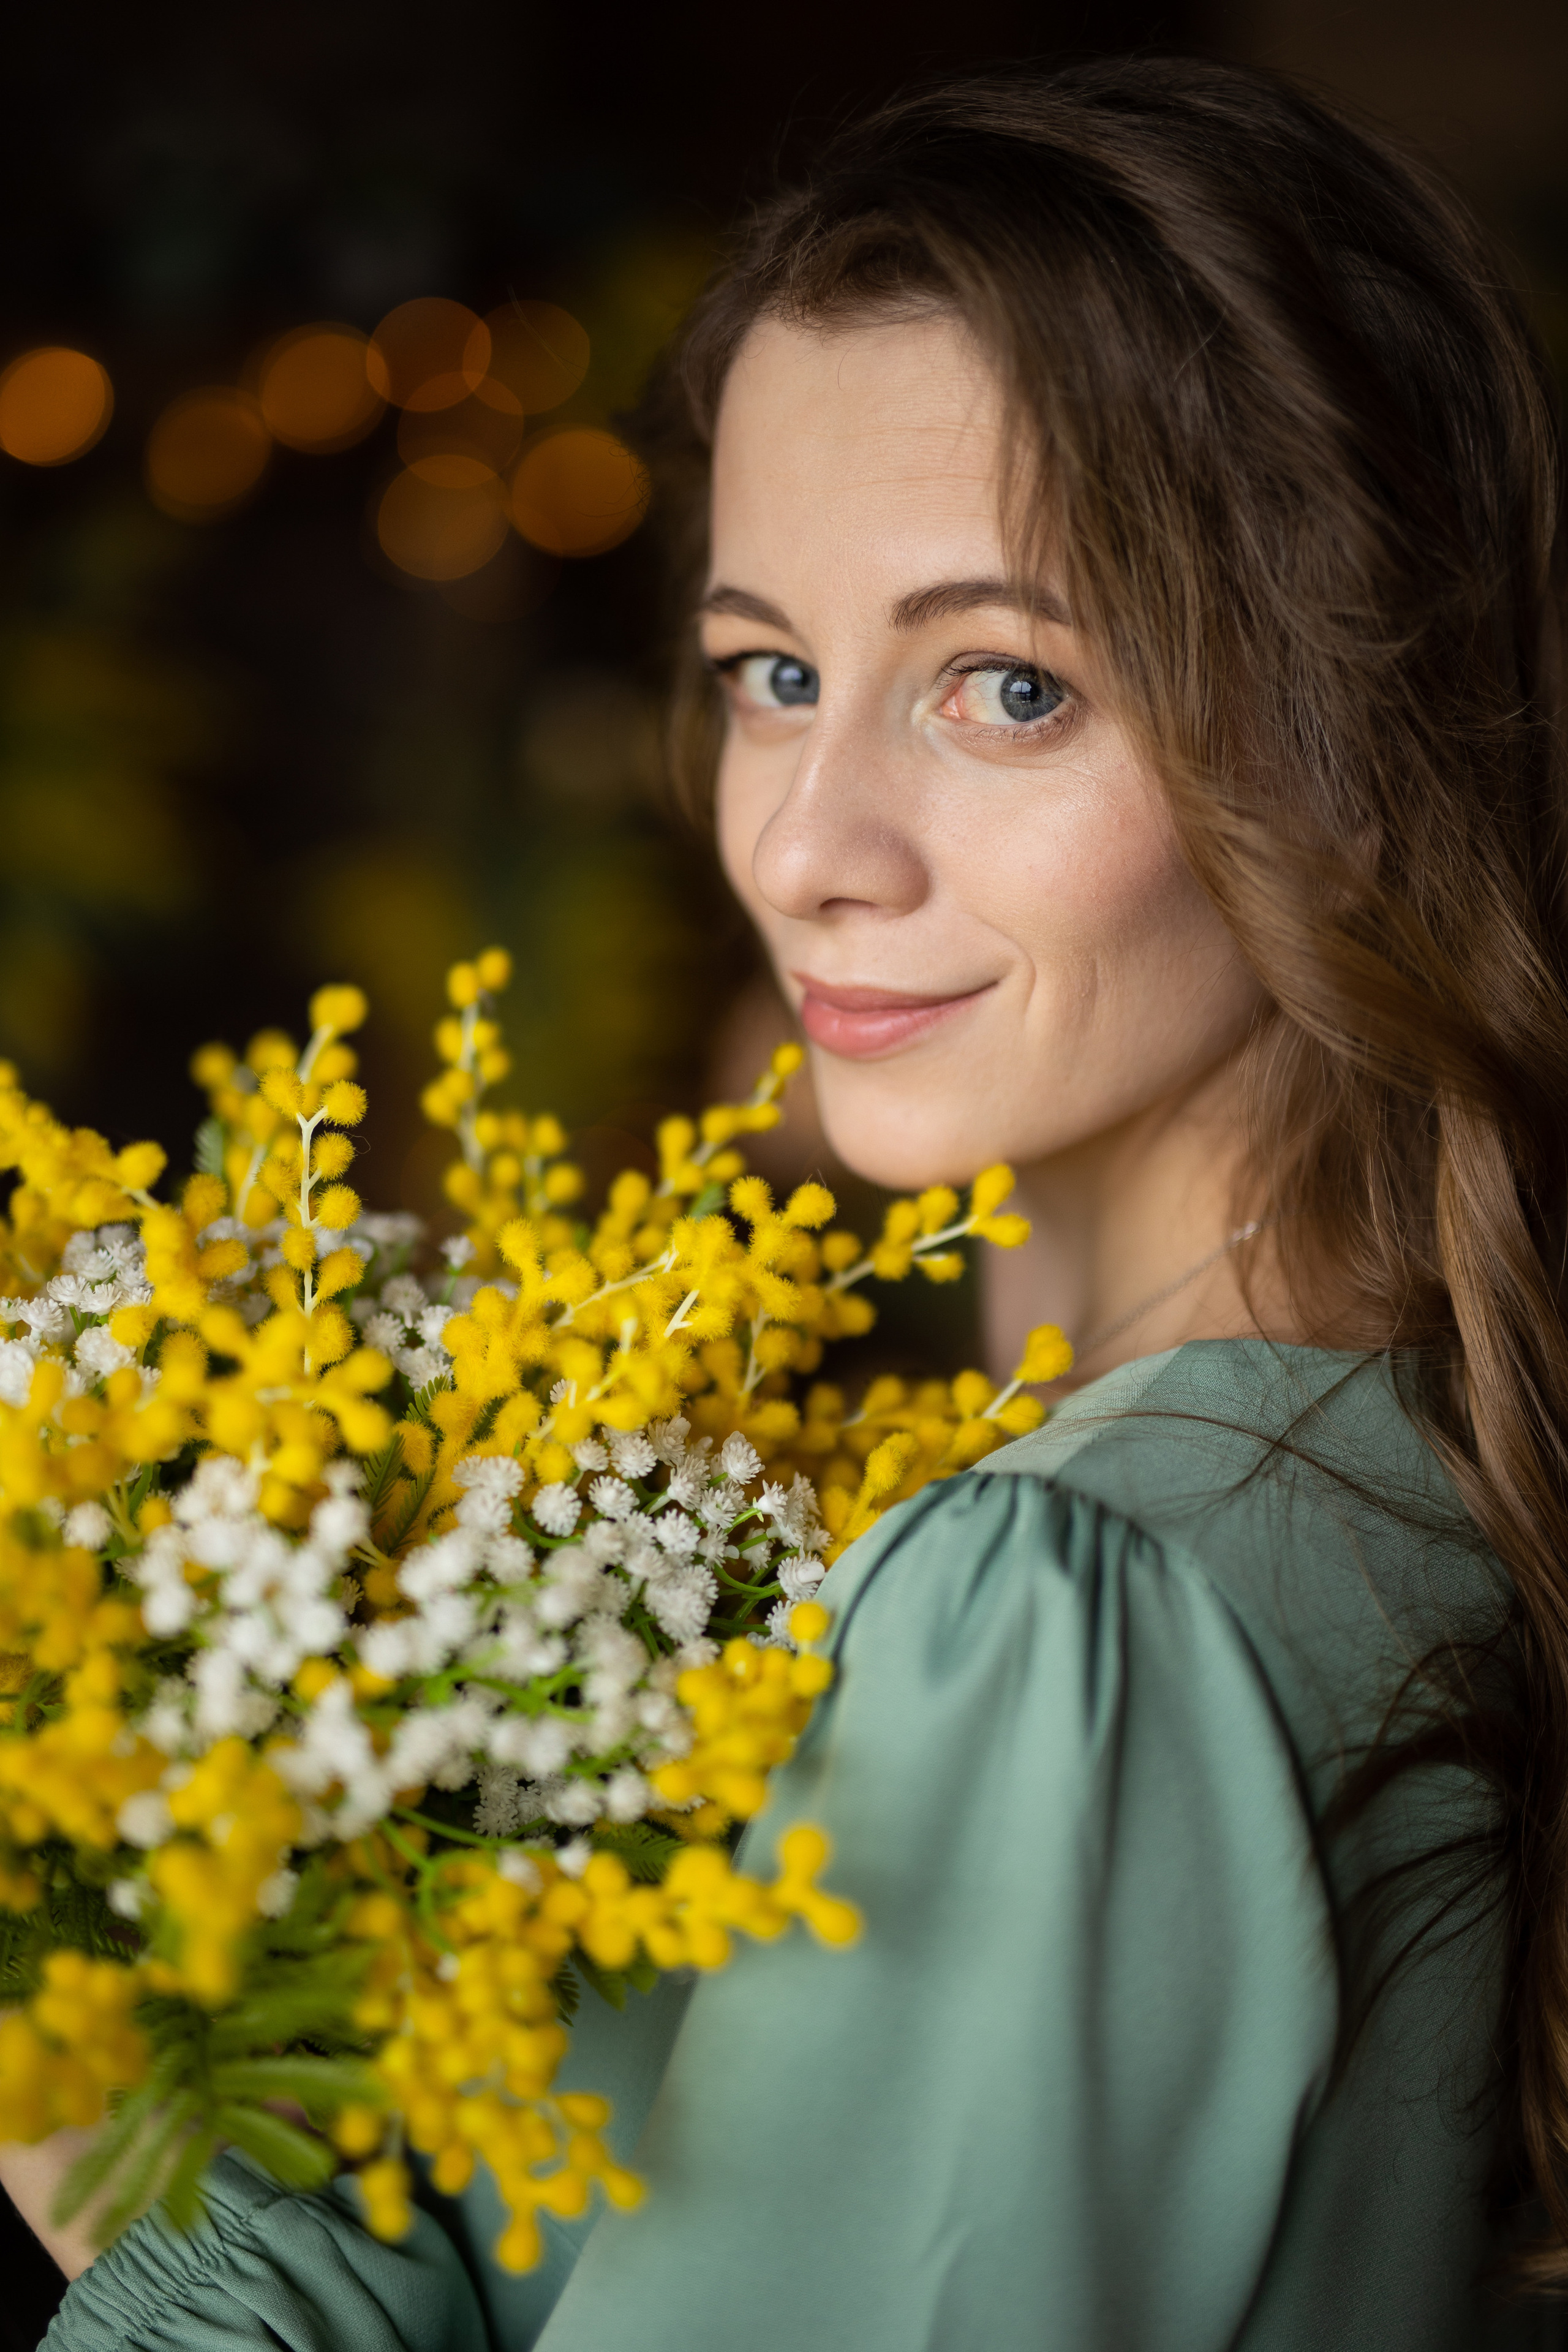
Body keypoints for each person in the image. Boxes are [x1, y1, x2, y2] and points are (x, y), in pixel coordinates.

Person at [17, 53, 1568, 2348]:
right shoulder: (1388, 1475)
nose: (806, 842)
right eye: (772, 672)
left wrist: (109, 2104)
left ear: (1354, 746)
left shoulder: (1078, 1610)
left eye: (1007, 686)